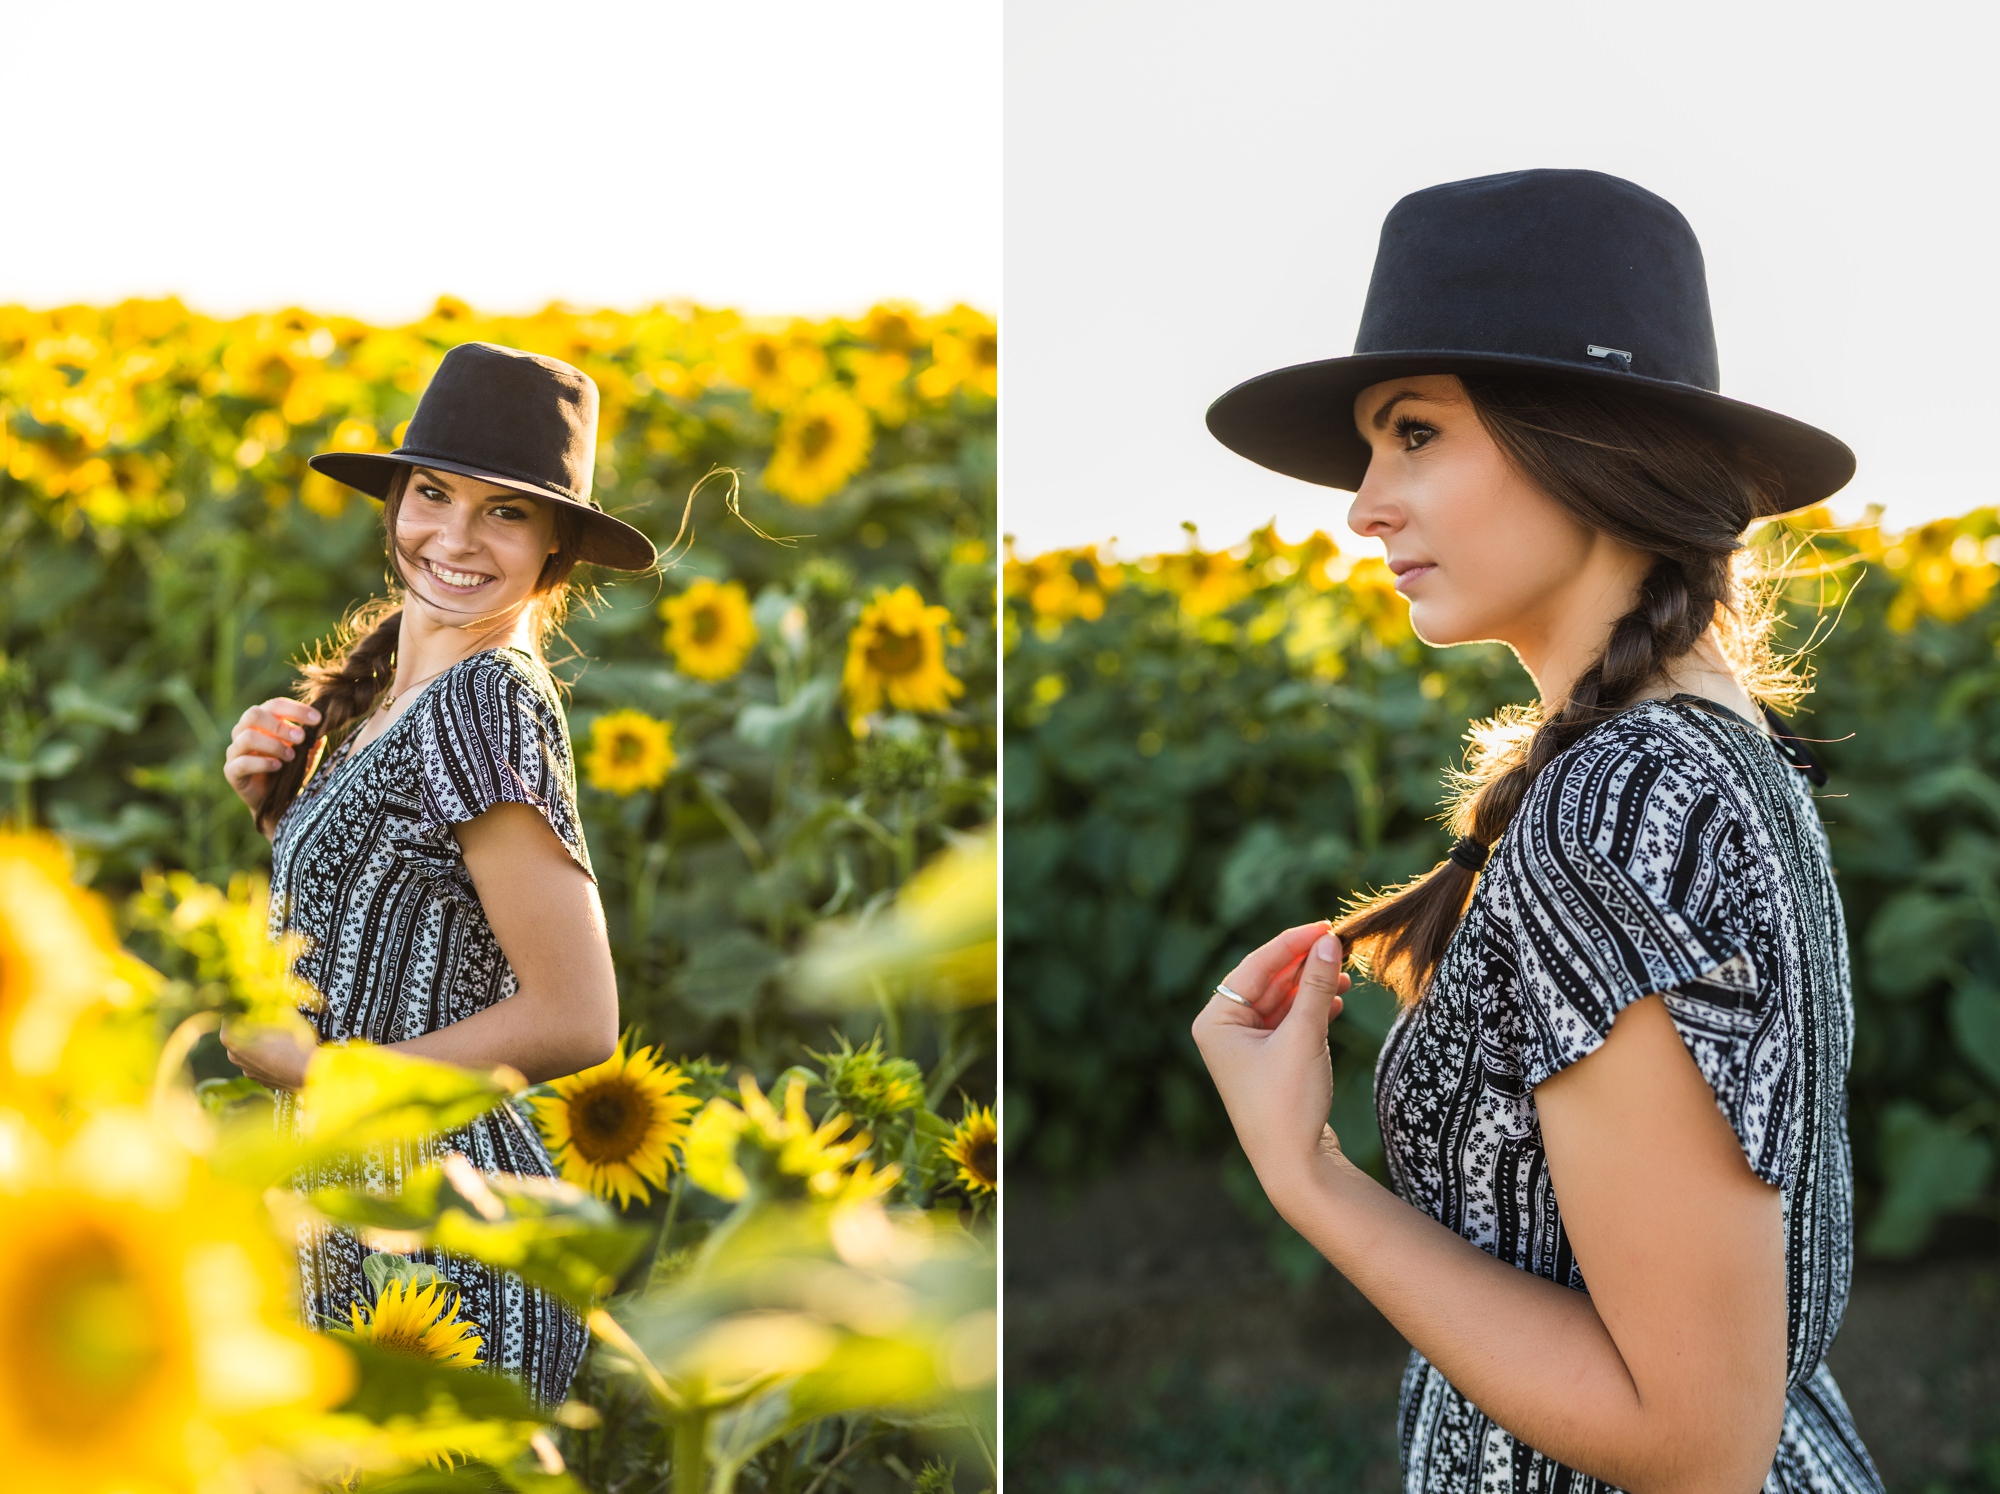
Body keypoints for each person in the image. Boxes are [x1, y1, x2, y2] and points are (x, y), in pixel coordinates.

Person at [1192, 171, 1883, 1493]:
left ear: (1587, 436)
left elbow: (1693, 1442)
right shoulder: (1714, 750)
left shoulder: (1613, 811)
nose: (1364, 503)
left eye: (1415, 434)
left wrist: (1309, 1173)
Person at [219, 341, 656, 1405]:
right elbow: (380, 926)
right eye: (432, 492)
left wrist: (329, 1076)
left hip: (444, 1245)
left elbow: (576, 1016)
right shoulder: (384, 696)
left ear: (556, 546)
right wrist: (275, 808)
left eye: (503, 512)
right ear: (397, 498)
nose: (452, 537)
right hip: (362, 1229)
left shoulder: (482, 703)